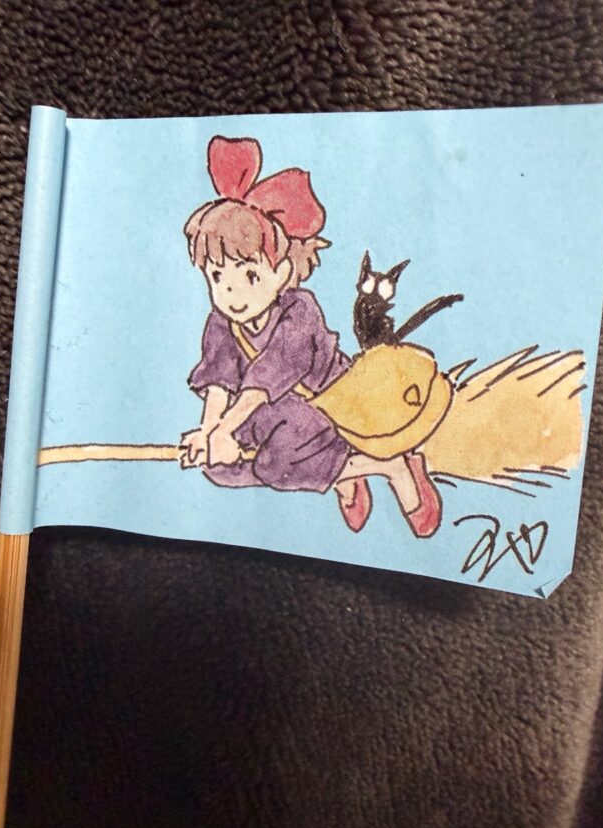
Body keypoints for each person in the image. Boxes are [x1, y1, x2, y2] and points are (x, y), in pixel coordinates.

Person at [179, 135, 440, 537]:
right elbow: (219, 381)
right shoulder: (221, 321)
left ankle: (391, 466)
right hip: (274, 414)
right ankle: (340, 472)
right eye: (217, 275)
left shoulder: (300, 311)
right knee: (219, 468)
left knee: (279, 463)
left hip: (330, 408)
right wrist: (210, 432)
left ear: (283, 271)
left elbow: (263, 383)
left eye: (250, 275)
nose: (231, 291)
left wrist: (226, 429)